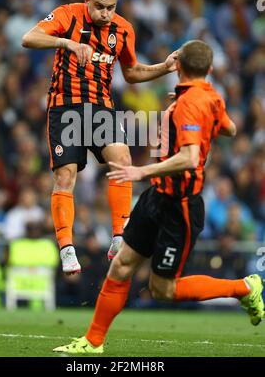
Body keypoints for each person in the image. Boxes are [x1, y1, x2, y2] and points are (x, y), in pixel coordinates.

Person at [53, 40, 264, 354]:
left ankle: (245, 288)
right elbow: (230, 128)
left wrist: (141, 173)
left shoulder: (193, 102)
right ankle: (93, 342)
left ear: (177, 66)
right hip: (157, 197)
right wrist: (191, 109)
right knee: (121, 265)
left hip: (179, 207)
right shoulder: (206, 97)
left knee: (161, 289)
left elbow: (190, 157)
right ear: (207, 69)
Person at [22, 0, 176, 274]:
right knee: (65, 177)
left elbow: (131, 73)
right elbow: (29, 38)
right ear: (87, 1)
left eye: (111, 8)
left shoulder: (123, 29)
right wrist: (65, 42)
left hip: (100, 108)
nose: (105, 14)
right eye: (100, 7)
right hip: (65, 106)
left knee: (123, 160)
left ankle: (119, 236)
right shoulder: (68, 14)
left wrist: (164, 67)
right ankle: (67, 248)